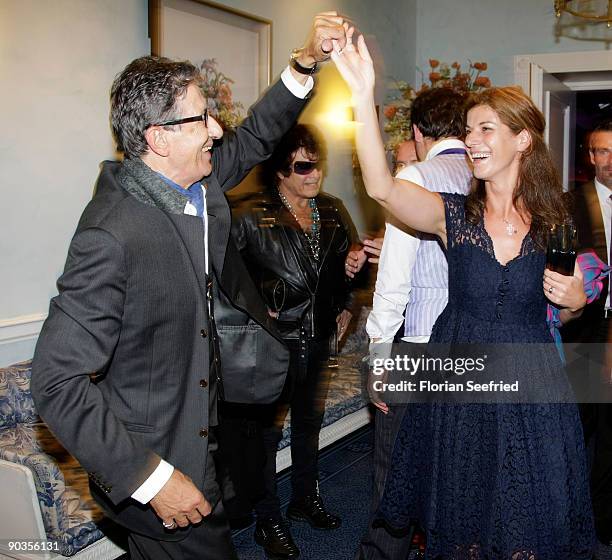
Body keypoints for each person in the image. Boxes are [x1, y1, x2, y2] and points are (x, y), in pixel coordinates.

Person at [30, 14, 349, 560]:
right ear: (158, 138)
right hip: (162, 460)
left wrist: (303, 63)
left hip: (208, 422)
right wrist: (150, 478)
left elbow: (254, 136)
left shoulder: (193, 181)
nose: (217, 130)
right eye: (203, 119)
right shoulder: (112, 232)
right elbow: (57, 381)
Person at [332, 32, 595, 559]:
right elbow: (382, 187)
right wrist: (362, 98)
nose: (472, 139)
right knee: (465, 518)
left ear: (523, 140)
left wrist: (576, 301)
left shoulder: (553, 222)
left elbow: (560, 315)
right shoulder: (455, 215)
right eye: (469, 129)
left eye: (486, 129)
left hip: (529, 383)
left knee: (524, 519)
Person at [230, 123, 358, 559]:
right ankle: (268, 520)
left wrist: (346, 298)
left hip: (319, 338)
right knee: (266, 438)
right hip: (272, 345)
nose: (313, 173)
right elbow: (223, 278)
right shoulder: (249, 214)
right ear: (281, 170)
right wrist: (252, 309)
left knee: (308, 427)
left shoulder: (334, 209)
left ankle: (304, 498)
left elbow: (343, 269)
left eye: (316, 162)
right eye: (302, 166)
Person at [356, 87, 473, 560]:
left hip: (422, 346)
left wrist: (379, 357)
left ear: (419, 134)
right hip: (473, 350)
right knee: (459, 472)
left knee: (394, 475)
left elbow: (395, 280)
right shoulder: (488, 175)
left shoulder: (416, 175)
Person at [562, 117, 612, 545]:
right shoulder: (568, 203)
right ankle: (569, 517)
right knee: (577, 427)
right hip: (585, 330)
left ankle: (603, 521)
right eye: (601, 151)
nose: (608, 161)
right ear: (590, 156)